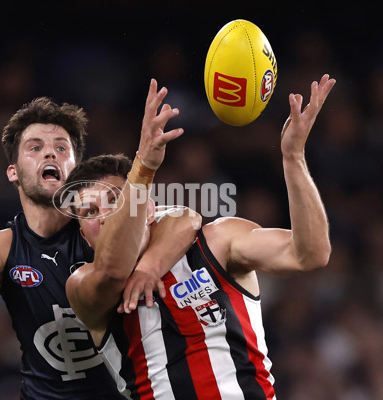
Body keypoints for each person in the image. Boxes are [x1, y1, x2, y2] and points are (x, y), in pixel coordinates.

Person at [0, 81, 200, 399]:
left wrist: (149, 265)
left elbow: (183, 218)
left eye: (61, 147)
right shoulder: (5, 246)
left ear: (74, 167)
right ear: (13, 172)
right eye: (34, 147)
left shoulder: (102, 223)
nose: (49, 152)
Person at [65, 74, 336, 399]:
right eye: (90, 212)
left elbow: (312, 254)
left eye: (115, 201)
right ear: (83, 234)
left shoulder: (217, 241)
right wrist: (144, 167)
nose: (106, 216)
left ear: (149, 209)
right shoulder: (84, 286)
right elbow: (112, 265)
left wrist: (293, 159)